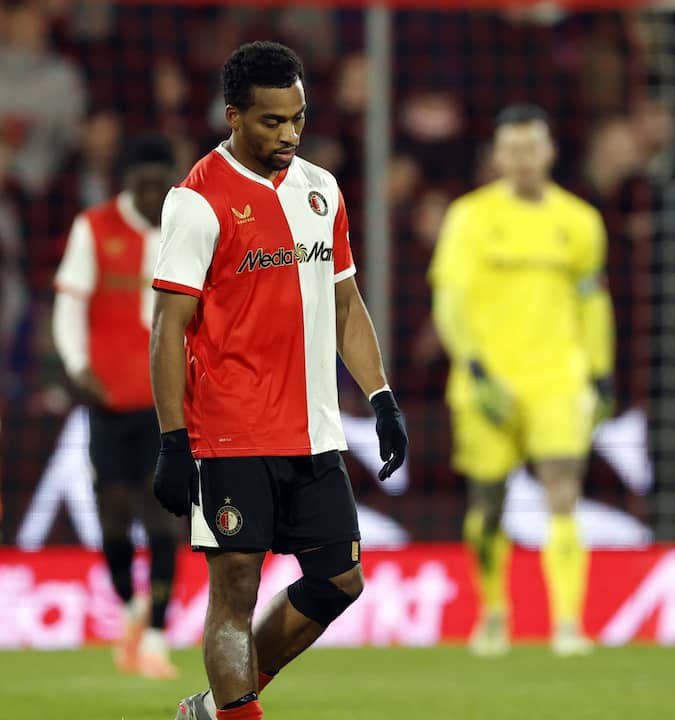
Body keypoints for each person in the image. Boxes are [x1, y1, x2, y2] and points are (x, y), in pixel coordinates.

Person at [150, 41, 408, 720]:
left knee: (339, 581)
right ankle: (239, 714)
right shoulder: (197, 202)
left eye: (297, 118)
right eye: (272, 121)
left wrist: (381, 398)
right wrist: (175, 442)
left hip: (314, 431)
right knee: (234, 589)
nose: (289, 134)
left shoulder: (322, 191)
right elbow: (166, 329)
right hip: (230, 433)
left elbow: (346, 306)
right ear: (233, 116)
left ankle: (215, 705)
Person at [429, 105, 615, 658]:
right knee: (489, 501)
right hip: (489, 381)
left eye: (531, 149)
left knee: (564, 491)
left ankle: (567, 624)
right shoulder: (470, 217)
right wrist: (475, 367)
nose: (522, 160)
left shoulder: (579, 221)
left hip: (558, 377)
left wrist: (600, 374)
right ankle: (493, 614)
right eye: (511, 150)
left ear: (550, 152)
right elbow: (450, 302)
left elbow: (593, 301)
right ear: (497, 156)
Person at [51, 134, 182, 679]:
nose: (154, 195)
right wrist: (77, 366)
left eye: (162, 184)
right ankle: (131, 608)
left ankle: (154, 636)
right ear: (127, 183)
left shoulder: (188, 229)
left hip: (167, 401)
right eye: (144, 184)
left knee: (164, 516)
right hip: (108, 398)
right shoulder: (94, 227)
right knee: (113, 514)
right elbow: (68, 306)